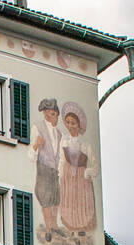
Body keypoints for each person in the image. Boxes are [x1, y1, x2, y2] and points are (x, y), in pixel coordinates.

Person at [58, 101, 98, 235]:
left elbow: (95, 164)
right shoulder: (64, 140)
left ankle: (80, 228)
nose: (70, 126)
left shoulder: (86, 143)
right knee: (69, 200)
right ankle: (71, 227)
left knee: (80, 202)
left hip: (81, 177)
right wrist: (60, 173)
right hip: (68, 175)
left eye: (73, 123)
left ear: (79, 124)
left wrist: (88, 172)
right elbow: (61, 158)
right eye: (68, 122)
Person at [31, 98, 64, 234]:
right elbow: (30, 152)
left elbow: (60, 153)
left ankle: (54, 225)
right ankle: (48, 227)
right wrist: (36, 145)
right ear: (45, 114)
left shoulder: (59, 133)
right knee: (45, 196)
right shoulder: (37, 128)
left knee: (56, 196)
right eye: (49, 114)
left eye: (54, 114)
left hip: (55, 168)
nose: (53, 117)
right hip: (44, 166)